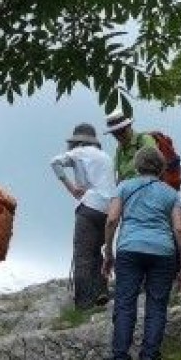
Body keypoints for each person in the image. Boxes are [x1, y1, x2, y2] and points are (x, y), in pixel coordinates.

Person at [101, 144, 181, 360]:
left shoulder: (124, 187)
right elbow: (179, 229)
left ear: (137, 166)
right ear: (161, 168)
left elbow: (111, 221)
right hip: (163, 252)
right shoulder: (171, 194)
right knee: (157, 306)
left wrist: (108, 253)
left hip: (129, 249)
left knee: (124, 304)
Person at [50, 121, 115, 310]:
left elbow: (54, 162)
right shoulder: (106, 157)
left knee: (83, 255)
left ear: (78, 142)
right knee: (97, 252)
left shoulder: (80, 152)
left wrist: (71, 188)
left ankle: (84, 303)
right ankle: (101, 291)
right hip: (109, 210)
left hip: (88, 206)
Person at [105, 110, 161, 182]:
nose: (119, 136)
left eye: (122, 131)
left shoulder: (145, 140)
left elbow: (154, 169)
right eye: (115, 133)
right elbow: (119, 176)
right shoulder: (119, 150)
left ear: (129, 126)